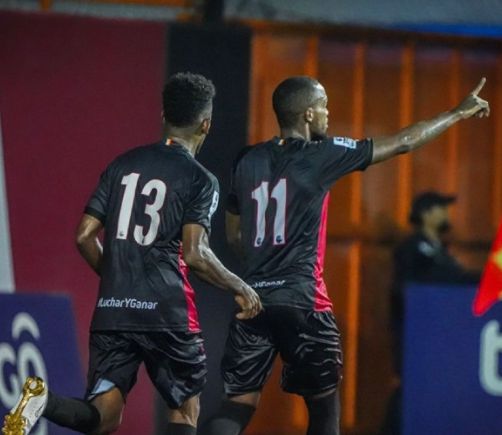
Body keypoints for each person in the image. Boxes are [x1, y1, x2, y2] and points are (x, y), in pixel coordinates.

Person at [200, 76, 490, 435]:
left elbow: (234, 235)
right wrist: (457, 113)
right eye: (323, 105)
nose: (328, 112)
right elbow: (403, 142)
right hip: (305, 302)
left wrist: (262, 272)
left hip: (253, 300)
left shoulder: (247, 159)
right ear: (308, 115)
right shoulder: (322, 154)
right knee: (324, 413)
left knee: (236, 406)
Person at [2, 72, 261, 435]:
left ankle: (44, 401)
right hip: (168, 314)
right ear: (206, 124)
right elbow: (195, 253)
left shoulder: (121, 165)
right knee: (184, 410)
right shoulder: (201, 179)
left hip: (114, 310)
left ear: (163, 115)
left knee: (103, 417)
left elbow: (84, 236)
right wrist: (240, 286)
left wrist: (119, 279)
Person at [379, 191, 481, 435]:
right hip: (417, 333)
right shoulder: (411, 247)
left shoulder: (442, 251)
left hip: (440, 335)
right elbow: (414, 284)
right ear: (425, 214)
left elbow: (457, 279)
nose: (446, 214)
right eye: (441, 208)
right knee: (410, 385)